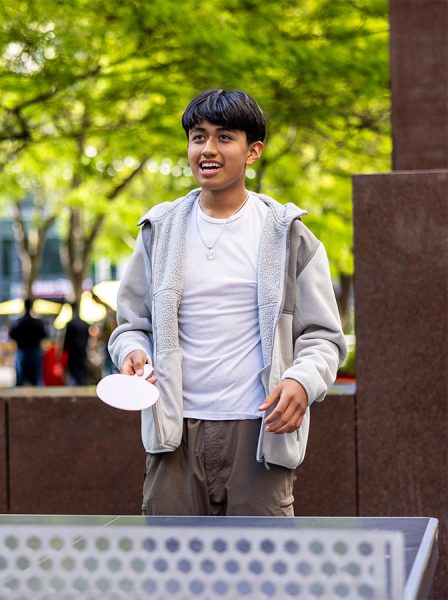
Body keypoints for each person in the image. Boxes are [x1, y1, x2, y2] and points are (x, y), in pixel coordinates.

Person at [108, 89, 347, 517]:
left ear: (252, 151)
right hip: (173, 431)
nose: (208, 150)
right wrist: (133, 352)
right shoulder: (159, 231)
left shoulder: (288, 234)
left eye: (224, 138)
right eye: (198, 137)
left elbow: (324, 337)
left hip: (260, 432)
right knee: (172, 575)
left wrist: (301, 381)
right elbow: (130, 325)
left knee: (262, 577)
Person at [9, 298, 47, 386]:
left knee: (20, 380)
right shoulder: (38, 322)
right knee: (36, 380)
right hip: (34, 350)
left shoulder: (18, 322)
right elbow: (44, 335)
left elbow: (12, 335)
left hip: (22, 351)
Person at [62, 299, 91, 386]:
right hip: (83, 350)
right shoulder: (85, 324)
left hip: (73, 352)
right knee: (81, 371)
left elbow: (67, 339)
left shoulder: (70, 324)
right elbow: (87, 338)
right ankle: (82, 385)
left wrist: (63, 351)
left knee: (73, 372)